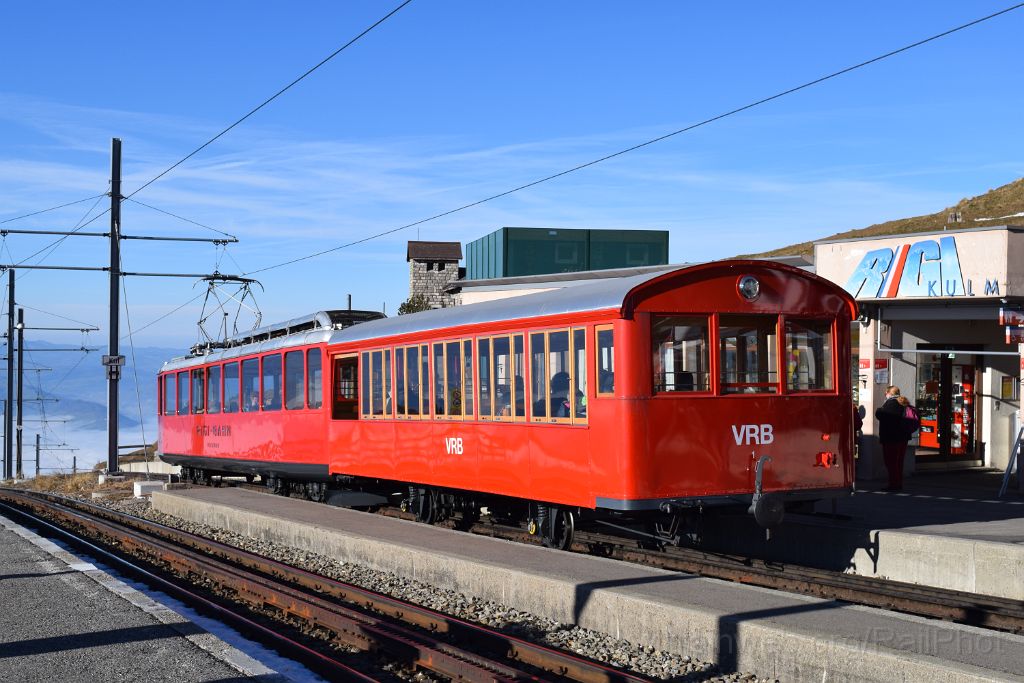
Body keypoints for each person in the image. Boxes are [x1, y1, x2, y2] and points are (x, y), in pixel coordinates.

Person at [875, 385, 912, 491]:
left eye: (885, 393)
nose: (885, 395)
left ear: (889, 393)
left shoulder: (890, 403)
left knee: (890, 462)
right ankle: (898, 483)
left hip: (891, 438)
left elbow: (882, 416)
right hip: (903, 437)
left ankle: (893, 484)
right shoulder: (903, 402)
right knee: (899, 462)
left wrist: (879, 410)